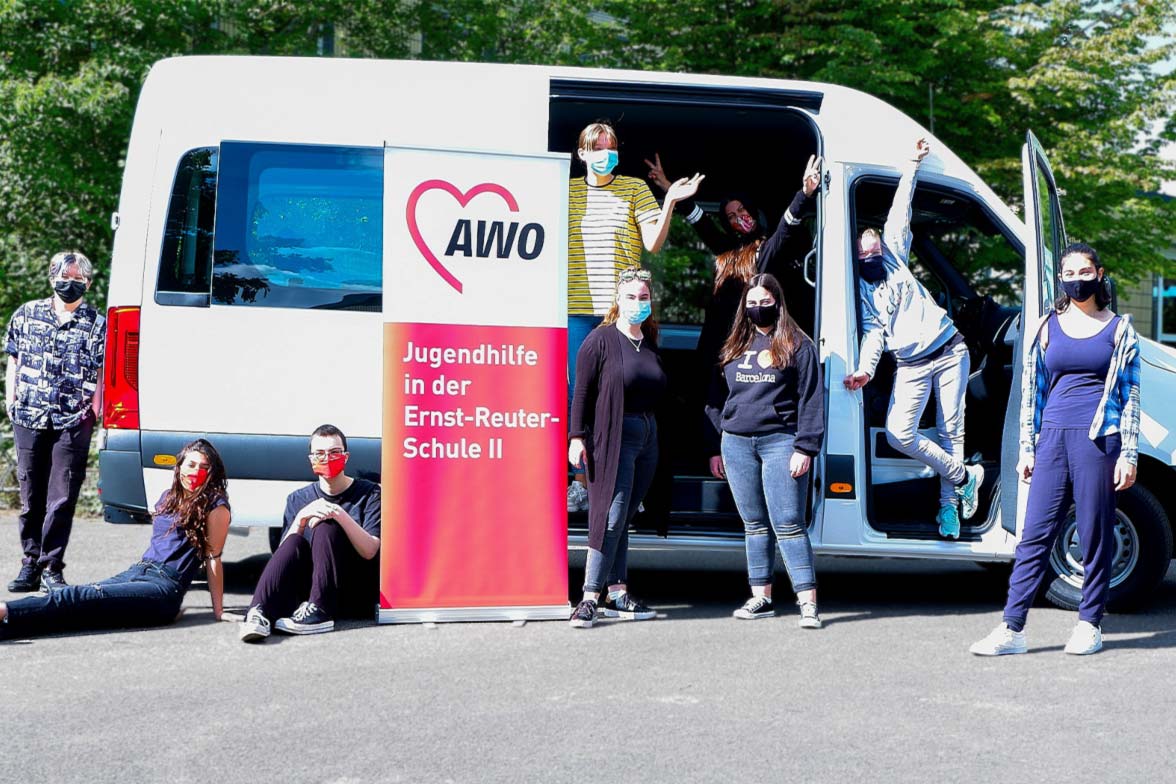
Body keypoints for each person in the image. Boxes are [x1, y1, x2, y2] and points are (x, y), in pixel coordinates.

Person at [970, 244, 1139, 657]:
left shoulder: (1119, 329)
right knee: (1034, 535)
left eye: (1084, 271)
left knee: (1093, 532)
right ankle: (1012, 627)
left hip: (1097, 439)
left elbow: (1131, 395)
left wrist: (1128, 454)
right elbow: (1032, 393)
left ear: (1099, 274)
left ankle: (1088, 624)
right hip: (1052, 439)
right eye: (1069, 272)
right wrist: (1027, 447)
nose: (1076, 279)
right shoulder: (1047, 326)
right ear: (1060, 277)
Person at [842, 138, 983, 538]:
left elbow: (900, 210)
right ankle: (963, 476)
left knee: (950, 430)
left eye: (873, 251)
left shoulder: (895, 257)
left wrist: (911, 164)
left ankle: (948, 511)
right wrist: (865, 371)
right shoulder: (864, 292)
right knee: (899, 433)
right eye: (862, 256)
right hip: (910, 363)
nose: (870, 258)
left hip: (950, 349)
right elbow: (872, 334)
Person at [566, 122, 702, 513]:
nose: (606, 153)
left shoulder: (634, 189)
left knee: (623, 395)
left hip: (622, 310)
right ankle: (581, 482)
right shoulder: (566, 191)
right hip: (576, 306)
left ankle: (621, 480)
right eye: (598, 147)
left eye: (611, 146)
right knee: (583, 394)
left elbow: (653, 243)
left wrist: (671, 200)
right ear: (582, 153)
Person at [0, 439, 231, 639]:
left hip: (163, 587)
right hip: (138, 571)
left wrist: (218, 611)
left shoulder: (215, 506)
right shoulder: (169, 497)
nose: (195, 472)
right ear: (179, 465)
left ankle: (4, 610)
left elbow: (214, 559)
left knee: (77, 597)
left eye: (204, 467)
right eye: (191, 464)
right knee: (77, 603)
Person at [705, 274, 825, 627]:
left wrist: (806, 447)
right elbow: (714, 400)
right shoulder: (732, 346)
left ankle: (807, 603)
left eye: (764, 302)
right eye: (751, 304)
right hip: (736, 444)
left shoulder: (798, 345)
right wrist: (716, 445)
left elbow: (811, 399)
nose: (758, 309)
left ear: (778, 302)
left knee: (788, 523)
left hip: (781, 442)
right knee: (753, 524)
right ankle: (762, 597)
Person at [645, 153, 823, 364]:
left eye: (742, 210)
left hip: (747, 340)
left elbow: (787, 226)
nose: (739, 217)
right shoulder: (725, 248)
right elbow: (699, 220)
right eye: (731, 216)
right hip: (716, 338)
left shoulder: (764, 249)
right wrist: (668, 187)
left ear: (752, 210)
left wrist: (805, 193)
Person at [568, 267, 667, 628]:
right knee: (610, 515)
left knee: (625, 517)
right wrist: (576, 437)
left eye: (643, 298)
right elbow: (581, 392)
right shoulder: (601, 340)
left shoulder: (650, 340)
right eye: (630, 297)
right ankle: (590, 597)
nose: (637, 304)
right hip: (613, 437)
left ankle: (619, 593)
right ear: (617, 300)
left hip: (647, 437)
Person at [4, 250, 107, 592]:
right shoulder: (26, 314)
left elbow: (102, 369)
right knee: (31, 493)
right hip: (29, 413)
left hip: (73, 419)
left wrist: (95, 409)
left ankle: (52, 566)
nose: (70, 283)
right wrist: (10, 398)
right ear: (52, 278)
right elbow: (13, 359)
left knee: (62, 496)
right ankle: (30, 563)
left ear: (88, 283)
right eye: (65, 277)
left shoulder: (98, 322)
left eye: (78, 279)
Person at [239, 424, 381, 641]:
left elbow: (370, 549)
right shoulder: (298, 499)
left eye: (334, 452)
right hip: (307, 588)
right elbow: (284, 555)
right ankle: (257, 612)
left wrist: (338, 514)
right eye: (320, 453)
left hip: (353, 588)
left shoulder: (370, 493)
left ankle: (320, 613)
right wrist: (301, 518)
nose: (327, 458)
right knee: (296, 538)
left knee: (326, 524)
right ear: (311, 459)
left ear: (346, 456)